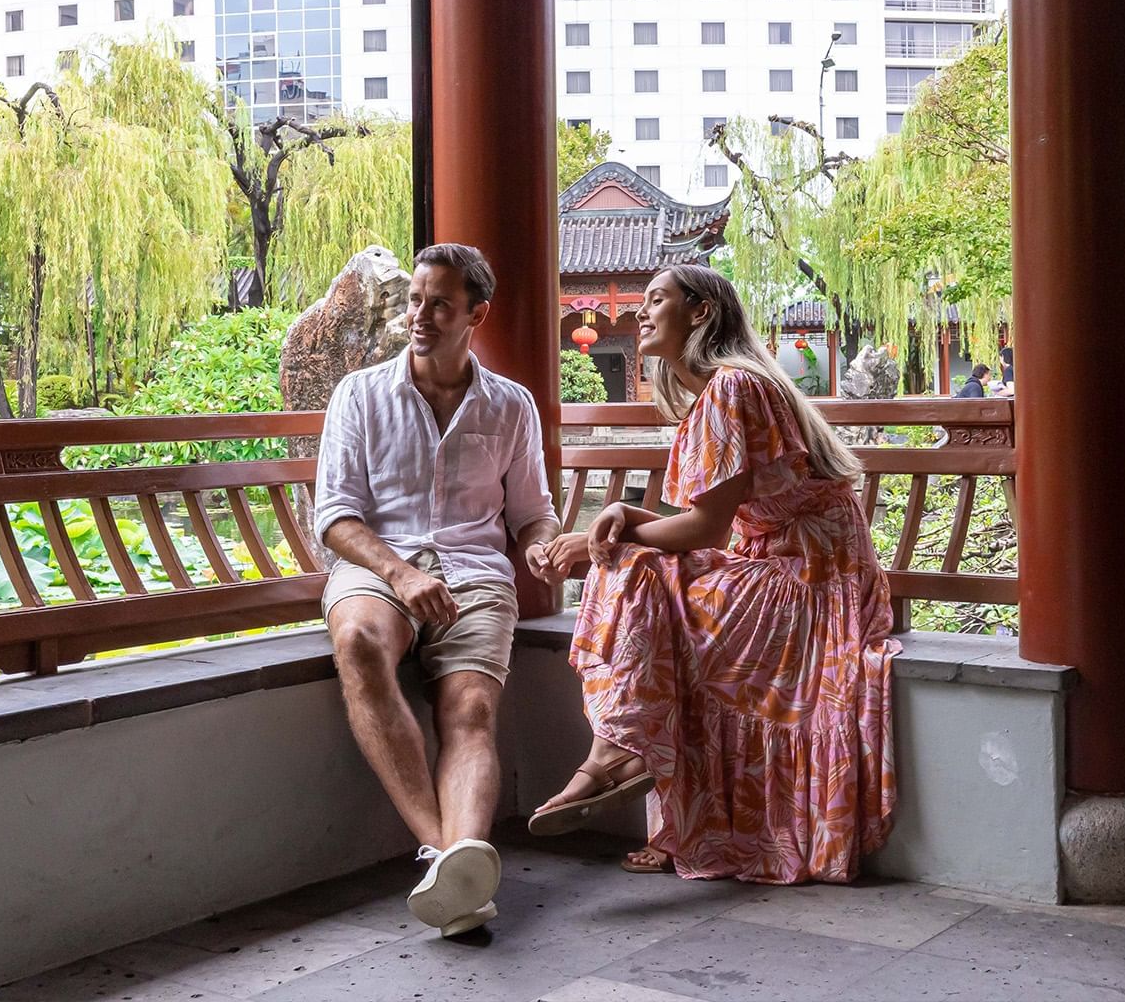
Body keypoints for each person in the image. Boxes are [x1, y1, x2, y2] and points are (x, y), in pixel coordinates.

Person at [527, 265, 898, 884]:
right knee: (645, 580)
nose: (641, 313)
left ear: (700, 313)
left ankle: (618, 752)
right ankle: (643, 775)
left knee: (638, 572)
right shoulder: (725, 390)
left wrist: (610, 535)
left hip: (812, 575)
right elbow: (712, 519)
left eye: (656, 300)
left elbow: (706, 532)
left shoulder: (732, 388)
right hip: (787, 560)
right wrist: (619, 515)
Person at [315, 243, 561, 937]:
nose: (419, 316)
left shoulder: (510, 406)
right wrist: (400, 571)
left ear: (474, 314)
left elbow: (531, 512)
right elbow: (334, 515)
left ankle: (455, 882)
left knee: (473, 710)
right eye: (415, 300)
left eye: (439, 304)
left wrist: (542, 546)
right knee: (359, 639)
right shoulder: (359, 395)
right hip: (379, 566)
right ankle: (445, 852)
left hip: (476, 575)